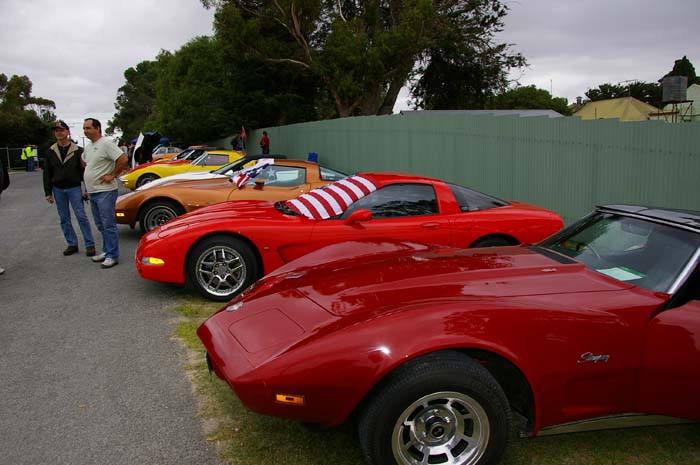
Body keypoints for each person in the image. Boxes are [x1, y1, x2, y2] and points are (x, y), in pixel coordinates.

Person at [43, 120, 96, 257]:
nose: (59, 133)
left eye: (61, 130)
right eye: (56, 131)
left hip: (74, 187)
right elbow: (47, 173)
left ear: (67, 132)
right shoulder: (50, 151)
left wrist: (87, 189)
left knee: (81, 216)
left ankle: (89, 244)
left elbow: (85, 171)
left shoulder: (78, 151)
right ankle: (72, 244)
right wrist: (48, 192)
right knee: (64, 218)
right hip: (58, 189)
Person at [82, 118, 128, 269]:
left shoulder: (106, 144)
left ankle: (112, 255)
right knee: (100, 224)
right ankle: (106, 250)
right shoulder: (89, 147)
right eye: (84, 128)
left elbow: (123, 158)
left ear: (97, 128)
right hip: (93, 192)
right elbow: (86, 164)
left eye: (88, 128)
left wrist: (112, 175)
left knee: (108, 224)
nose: (85, 131)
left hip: (105, 191)